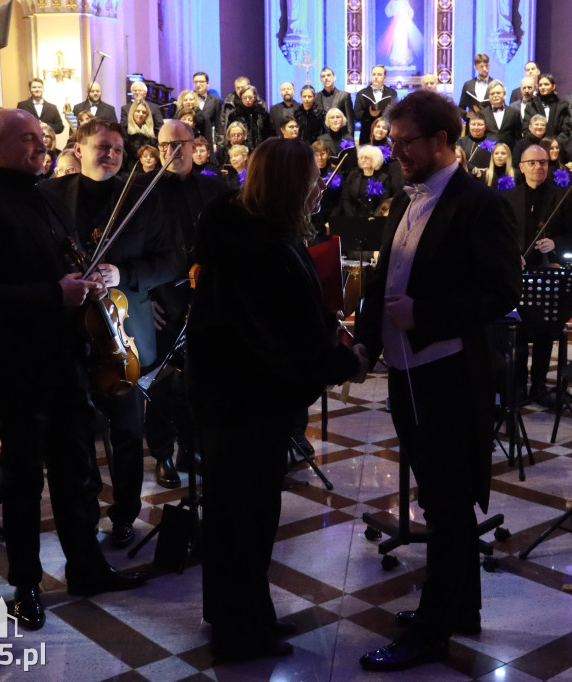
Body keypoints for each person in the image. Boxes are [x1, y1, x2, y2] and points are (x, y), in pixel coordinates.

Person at [0, 109, 145, 631]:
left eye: (42, 138)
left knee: (76, 472)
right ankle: (26, 587)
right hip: (19, 366)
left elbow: (65, 264)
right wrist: (53, 294)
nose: (42, 145)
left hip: (67, 358)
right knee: (22, 480)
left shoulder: (50, 198)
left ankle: (86, 567)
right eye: (29, 139)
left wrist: (88, 278)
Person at [353, 90, 519, 672]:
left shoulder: (480, 203)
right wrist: (365, 343)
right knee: (439, 497)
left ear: (442, 141)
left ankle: (431, 631)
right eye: (392, 142)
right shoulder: (404, 200)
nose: (396, 152)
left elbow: (502, 292)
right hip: (405, 370)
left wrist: (424, 314)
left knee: (446, 506)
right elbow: (383, 281)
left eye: (406, 142)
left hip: (448, 373)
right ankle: (460, 608)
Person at [187, 137, 364, 661]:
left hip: (238, 397)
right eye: (311, 180)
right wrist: (345, 362)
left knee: (238, 515)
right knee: (244, 519)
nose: (318, 190)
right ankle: (240, 633)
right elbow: (284, 341)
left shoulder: (246, 229)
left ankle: (241, 614)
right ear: (290, 185)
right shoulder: (257, 248)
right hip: (245, 401)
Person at [40, 117, 181, 548]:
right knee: (75, 433)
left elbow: (170, 261)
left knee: (127, 431)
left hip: (123, 335)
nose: (112, 154)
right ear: (78, 149)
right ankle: (82, 515)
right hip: (68, 331)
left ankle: (125, 513)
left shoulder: (141, 197)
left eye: (118, 148)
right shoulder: (49, 196)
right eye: (102, 146)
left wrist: (124, 274)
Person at [145, 120, 227, 486]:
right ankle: (162, 452)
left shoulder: (215, 189)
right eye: (164, 146)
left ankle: (191, 447)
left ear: (194, 146)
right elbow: (133, 251)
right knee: (161, 381)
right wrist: (145, 299)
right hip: (162, 302)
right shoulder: (143, 191)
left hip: (205, 299)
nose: (171, 152)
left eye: (178, 144)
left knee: (199, 378)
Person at [503, 143, 572, 406]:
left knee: (546, 331)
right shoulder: (508, 198)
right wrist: (512, 254)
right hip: (518, 274)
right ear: (522, 167)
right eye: (532, 163)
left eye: (543, 162)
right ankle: (517, 385)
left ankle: (538, 386)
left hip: (549, 274)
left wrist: (555, 243)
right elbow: (500, 236)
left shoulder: (562, 196)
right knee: (518, 330)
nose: (538, 167)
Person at [335, 145, 391, 217]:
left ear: (375, 159)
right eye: (361, 158)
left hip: (375, 218)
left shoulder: (383, 178)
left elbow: (383, 202)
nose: (363, 160)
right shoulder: (352, 175)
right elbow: (345, 197)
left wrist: (374, 217)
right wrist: (351, 217)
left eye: (366, 158)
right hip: (353, 217)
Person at [354, 65, 398, 145]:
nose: (376, 77)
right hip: (366, 136)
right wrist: (369, 114)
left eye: (379, 74)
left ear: (384, 77)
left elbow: (395, 114)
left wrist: (381, 114)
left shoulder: (392, 93)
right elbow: (356, 115)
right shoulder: (362, 93)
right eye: (374, 74)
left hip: (385, 136)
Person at [226, 85, 272, 151]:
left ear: (255, 98)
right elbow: (230, 136)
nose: (247, 100)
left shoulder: (262, 113)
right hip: (242, 151)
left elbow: (269, 134)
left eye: (250, 97)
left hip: (260, 150)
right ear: (241, 99)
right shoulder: (234, 115)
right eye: (244, 98)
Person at [315, 67, 355, 137]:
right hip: (322, 138)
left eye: (328, 75)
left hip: (340, 137)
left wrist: (349, 139)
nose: (326, 78)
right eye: (323, 76)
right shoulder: (316, 97)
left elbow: (350, 121)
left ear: (334, 77)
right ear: (321, 79)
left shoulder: (344, 96)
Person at [481, 80, 522, 147]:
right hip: (488, 152)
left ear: (504, 95)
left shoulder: (514, 113)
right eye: (492, 94)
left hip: (510, 151)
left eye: (498, 93)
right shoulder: (482, 114)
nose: (495, 95)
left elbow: (518, 138)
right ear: (489, 97)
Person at [124, 100, 158, 171]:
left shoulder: (153, 133)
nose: (141, 114)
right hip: (130, 171)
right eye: (137, 111)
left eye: (144, 112)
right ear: (132, 112)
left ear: (147, 115)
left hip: (149, 170)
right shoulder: (125, 132)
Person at [458, 53, 492, 119]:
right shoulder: (468, 85)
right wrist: (466, 115)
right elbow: (461, 108)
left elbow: (501, 107)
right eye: (481, 66)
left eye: (486, 66)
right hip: (472, 121)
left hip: (489, 122)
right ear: (475, 67)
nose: (485, 69)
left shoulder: (495, 84)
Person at [192, 71, 222, 145]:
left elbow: (218, 125)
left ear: (207, 83)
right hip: (191, 138)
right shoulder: (189, 98)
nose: (198, 84)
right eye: (196, 82)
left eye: (201, 82)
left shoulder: (216, 100)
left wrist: (216, 143)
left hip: (208, 139)